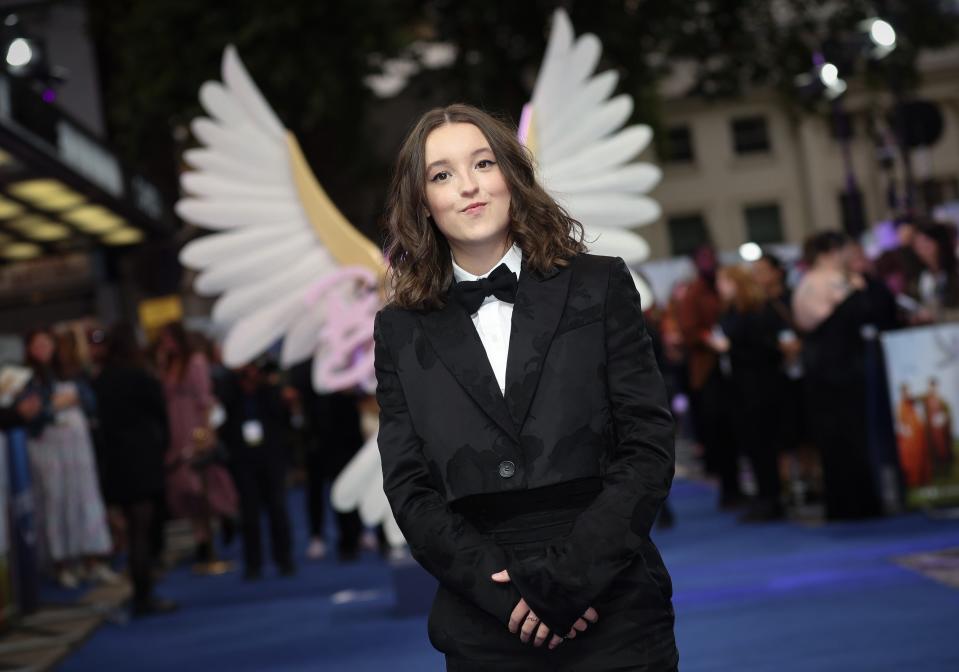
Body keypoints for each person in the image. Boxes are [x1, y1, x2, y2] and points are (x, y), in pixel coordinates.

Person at [374, 104, 677, 670]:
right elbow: (409, 486)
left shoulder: (600, 284)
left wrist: (571, 580)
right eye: (442, 175)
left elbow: (648, 444)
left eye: (483, 163)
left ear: (511, 175)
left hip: (613, 601)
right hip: (484, 618)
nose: (468, 187)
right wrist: (506, 596)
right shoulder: (399, 328)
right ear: (422, 202)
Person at [793, 232, 883, 520]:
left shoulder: (819, 282)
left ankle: (853, 501)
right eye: (845, 249)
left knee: (846, 437)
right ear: (832, 251)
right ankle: (852, 502)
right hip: (834, 370)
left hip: (836, 367)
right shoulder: (823, 282)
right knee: (843, 436)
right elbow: (816, 320)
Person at [94, 324, 178, 616]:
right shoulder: (139, 376)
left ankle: (142, 592)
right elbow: (160, 412)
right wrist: (164, 447)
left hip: (117, 462)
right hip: (142, 459)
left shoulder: (102, 379)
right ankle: (144, 595)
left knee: (133, 531)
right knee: (142, 531)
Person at [22, 328, 114, 588]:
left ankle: (93, 558)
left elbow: (89, 400)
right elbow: (28, 412)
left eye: (46, 344)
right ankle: (61, 562)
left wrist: (69, 400)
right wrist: (52, 406)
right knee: (55, 500)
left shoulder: (71, 371)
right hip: (47, 446)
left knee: (84, 497)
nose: (43, 350)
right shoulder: (27, 378)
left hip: (77, 444)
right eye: (37, 344)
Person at [156, 322, 237, 563]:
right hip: (174, 429)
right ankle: (201, 537)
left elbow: (205, 399)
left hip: (193, 425)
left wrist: (207, 430)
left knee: (203, 480)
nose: (166, 344)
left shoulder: (196, 362)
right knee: (183, 486)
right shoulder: (168, 365)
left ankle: (225, 515)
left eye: (169, 339)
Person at [713, 266, 786, 521]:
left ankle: (771, 498)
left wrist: (730, 348)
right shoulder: (732, 310)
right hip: (740, 387)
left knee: (763, 444)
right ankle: (765, 496)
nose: (720, 286)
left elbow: (767, 350)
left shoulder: (755, 310)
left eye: (724, 281)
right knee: (753, 445)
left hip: (759, 387)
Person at [218, 361, 295, 579]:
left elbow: (283, 417)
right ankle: (253, 564)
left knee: (277, 507)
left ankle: (284, 559)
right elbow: (222, 417)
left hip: (271, 453)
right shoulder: (229, 386)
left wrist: (266, 385)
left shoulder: (270, 385)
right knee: (248, 512)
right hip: (242, 456)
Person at [677, 244, 738, 507]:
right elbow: (689, 330)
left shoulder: (722, 287)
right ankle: (728, 488)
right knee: (719, 431)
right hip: (709, 370)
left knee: (734, 430)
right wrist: (710, 340)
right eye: (703, 258)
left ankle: (735, 485)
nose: (708, 262)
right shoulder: (694, 293)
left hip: (732, 368)